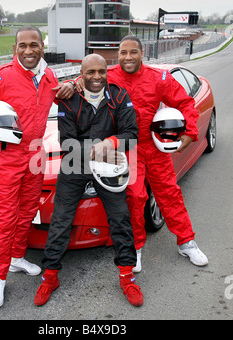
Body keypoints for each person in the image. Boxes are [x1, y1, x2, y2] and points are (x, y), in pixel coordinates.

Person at [0, 25, 75, 308]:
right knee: (5, 220)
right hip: (6, 158)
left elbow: (58, 95)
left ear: (42, 48)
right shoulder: (0, 77)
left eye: (34, 45)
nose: (29, 50)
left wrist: (73, 84)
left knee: (28, 211)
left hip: (35, 154)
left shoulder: (48, 77)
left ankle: (17, 258)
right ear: (15, 49)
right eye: (23, 45)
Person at [77, 36, 208, 273]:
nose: (128, 57)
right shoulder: (108, 76)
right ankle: (135, 248)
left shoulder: (159, 78)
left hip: (154, 147)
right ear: (118, 54)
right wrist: (69, 86)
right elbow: (82, 82)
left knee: (169, 194)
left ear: (141, 54)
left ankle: (186, 242)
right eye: (123, 52)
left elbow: (185, 103)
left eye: (133, 52)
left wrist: (189, 133)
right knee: (135, 199)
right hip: (126, 148)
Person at [34, 54, 144, 307]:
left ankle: (127, 278)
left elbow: (131, 134)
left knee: (120, 218)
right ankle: (50, 276)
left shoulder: (119, 96)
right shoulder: (69, 98)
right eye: (90, 72)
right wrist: (96, 147)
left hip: (109, 163)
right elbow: (66, 142)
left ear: (107, 72)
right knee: (61, 220)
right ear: (81, 75)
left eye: (101, 72)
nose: (97, 77)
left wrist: (111, 143)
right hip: (76, 164)